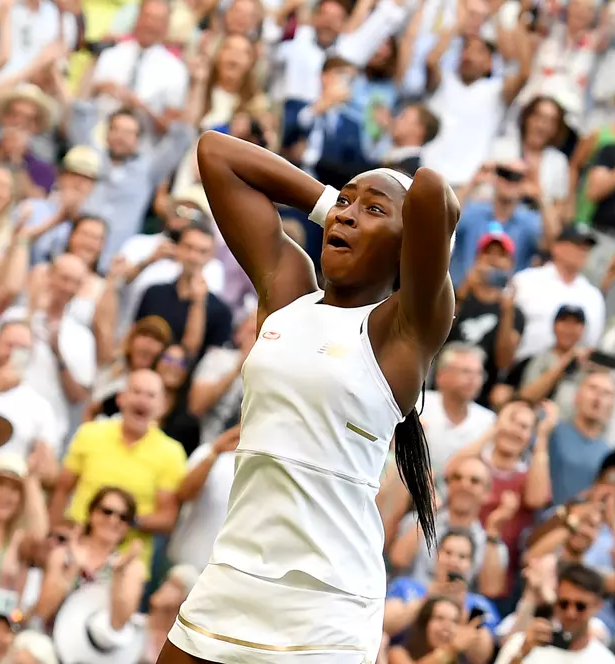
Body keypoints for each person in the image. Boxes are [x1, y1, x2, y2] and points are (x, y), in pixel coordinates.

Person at [161, 131, 459, 663]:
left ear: (406, 243)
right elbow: (215, 153)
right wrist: (331, 205)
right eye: (344, 202)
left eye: (373, 209)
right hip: (232, 573)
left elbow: (435, 192)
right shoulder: (288, 291)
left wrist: (380, 219)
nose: (347, 215)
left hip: (327, 604)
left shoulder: (404, 327)